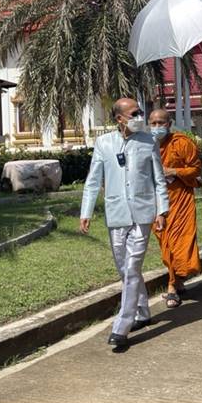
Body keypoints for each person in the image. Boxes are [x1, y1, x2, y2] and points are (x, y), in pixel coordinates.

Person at [80, 98, 169, 348]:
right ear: (120, 118)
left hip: (143, 213)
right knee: (124, 268)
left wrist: (162, 211)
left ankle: (122, 325)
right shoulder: (104, 143)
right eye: (135, 113)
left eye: (140, 111)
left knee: (132, 268)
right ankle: (142, 311)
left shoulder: (148, 141)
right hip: (116, 213)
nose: (140, 116)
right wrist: (85, 211)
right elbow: (93, 180)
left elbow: (159, 180)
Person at [148, 109, 202, 309]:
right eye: (153, 123)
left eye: (160, 122)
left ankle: (172, 287)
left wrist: (174, 171)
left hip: (180, 199)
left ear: (169, 124)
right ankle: (178, 281)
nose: (156, 127)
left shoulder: (182, 143)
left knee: (179, 244)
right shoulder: (145, 144)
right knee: (166, 244)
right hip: (155, 202)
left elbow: (195, 169)